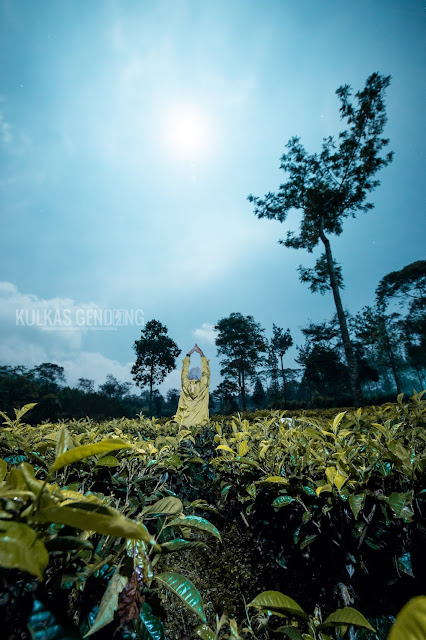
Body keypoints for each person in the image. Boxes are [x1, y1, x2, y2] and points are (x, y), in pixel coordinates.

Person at [173, 343, 210, 426]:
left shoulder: (185, 383)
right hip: (200, 424)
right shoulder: (204, 383)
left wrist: (188, 355)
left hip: (184, 424)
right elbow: (206, 372)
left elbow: (184, 371)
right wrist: (202, 355)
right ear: (200, 376)